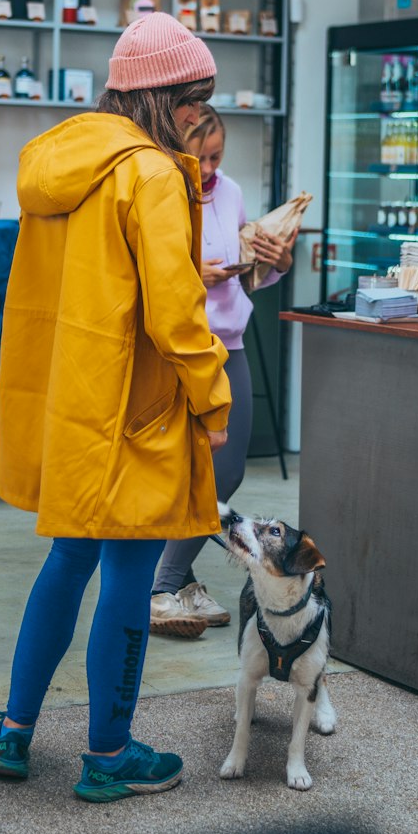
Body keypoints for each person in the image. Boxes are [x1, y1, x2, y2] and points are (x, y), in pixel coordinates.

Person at [0, 13, 230, 803]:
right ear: (161, 98)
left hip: (72, 398)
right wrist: (211, 393)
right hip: (138, 405)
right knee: (129, 570)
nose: (201, 113)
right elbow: (175, 309)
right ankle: (110, 754)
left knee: (67, 558)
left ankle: (14, 733)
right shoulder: (154, 176)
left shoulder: (58, 163)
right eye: (195, 97)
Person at [150, 103, 295, 636]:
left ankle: (173, 579)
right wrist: (194, 275)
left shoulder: (230, 192)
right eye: (200, 156)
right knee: (178, 474)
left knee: (225, 472)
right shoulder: (163, 190)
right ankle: (165, 585)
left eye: (217, 157)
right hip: (178, 349)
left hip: (229, 344)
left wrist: (276, 263)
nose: (210, 169)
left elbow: (248, 279)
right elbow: (147, 277)